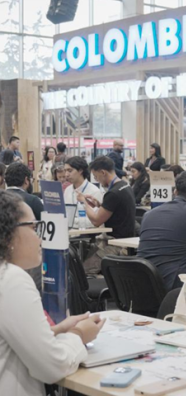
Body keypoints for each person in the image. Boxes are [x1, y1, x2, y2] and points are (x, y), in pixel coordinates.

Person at [0, 190, 105, 396]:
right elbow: (53, 367)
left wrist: (55, 331)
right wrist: (78, 334)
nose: (40, 237)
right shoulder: (11, 279)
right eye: (34, 227)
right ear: (8, 234)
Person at [77, 156, 136, 274]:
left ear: (103, 172)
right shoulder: (125, 185)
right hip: (125, 240)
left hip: (116, 245)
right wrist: (99, 205)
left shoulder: (113, 193)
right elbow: (118, 210)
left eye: (96, 176)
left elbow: (96, 221)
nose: (96, 180)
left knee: (82, 271)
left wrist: (84, 203)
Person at [5, 162, 45, 291]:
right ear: (26, 180)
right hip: (27, 258)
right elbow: (45, 225)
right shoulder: (32, 200)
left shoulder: (3, 199)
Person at [64, 156, 103, 228]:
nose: (66, 174)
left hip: (87, 233)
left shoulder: (94, 191)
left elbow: (94, 222)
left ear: (80, 171)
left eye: (70, 171)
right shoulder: (67, 190)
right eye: (65, 171)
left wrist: (71, 221)